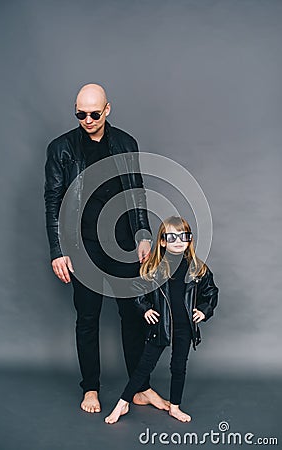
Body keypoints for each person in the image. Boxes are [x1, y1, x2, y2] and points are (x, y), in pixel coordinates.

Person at [44, 84, 169, 413]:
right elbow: (53, 202)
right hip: (83, 247)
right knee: (88, 318)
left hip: (125, 247)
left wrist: (143, 234)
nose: (87, 119)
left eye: (94, 114)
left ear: (107, 109)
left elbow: (137, 190)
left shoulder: (126, 143)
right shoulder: (62, 149)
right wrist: (58, 249)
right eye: (80, 114)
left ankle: (139, 388)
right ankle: (91, 389)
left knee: (134, 316)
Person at [105, 215, 219, 424]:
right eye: (172, 237)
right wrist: (145, 309)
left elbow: (211, 292)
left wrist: (204, 310)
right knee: (143, 367)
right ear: (163, 241)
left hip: (185, 328)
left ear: (190, 239)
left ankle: (175, 407)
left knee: (178, 366)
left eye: (183, 236)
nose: (178, 241)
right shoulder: (155, 268)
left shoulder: (197, 268)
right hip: (161, 326)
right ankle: (122, 403)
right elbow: (137, 291)